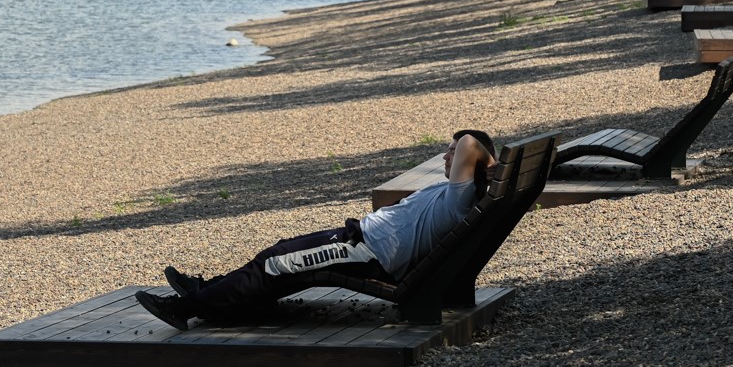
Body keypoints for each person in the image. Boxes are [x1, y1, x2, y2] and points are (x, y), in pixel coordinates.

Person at [135, 130, 498, 330]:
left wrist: (490, 161)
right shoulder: (457, 195)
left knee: (276, 265)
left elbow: (470, 142)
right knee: (278, 254)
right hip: (362, 240)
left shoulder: (459, 198)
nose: (447, 157)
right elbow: (469, 148)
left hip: (369, 253)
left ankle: (185, 308)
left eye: (451, 153)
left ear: (475, 163)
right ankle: (212, 292)